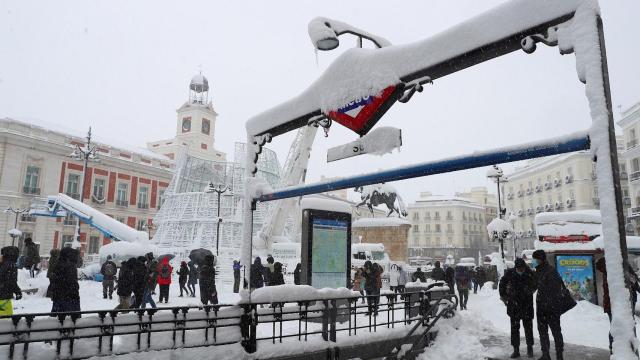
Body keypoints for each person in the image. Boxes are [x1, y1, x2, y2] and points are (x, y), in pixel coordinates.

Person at [532, 249, 574, 360]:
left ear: (540, 259)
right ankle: (545, 354)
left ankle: (559, 355)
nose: (533, 261)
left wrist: (549, 304)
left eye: (535, 259)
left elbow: (554, 291)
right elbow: (535, 286)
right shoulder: (539, 271)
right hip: (541, 307)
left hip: (551, 308)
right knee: (543, 332)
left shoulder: (550, 271)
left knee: (556, 331)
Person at [499, 258, 535, 358]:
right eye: (519, 269)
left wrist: (530, 290)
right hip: (514, 305)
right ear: (516, 268)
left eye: (522, 268)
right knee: (514, 329)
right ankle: (516, 349)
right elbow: (502, 283)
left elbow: (535, 284)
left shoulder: (529, 273)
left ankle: (529, 348)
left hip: (527, 305)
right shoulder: (510, 273)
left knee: (528, 328)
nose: (521, 270)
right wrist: (504, 295)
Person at [49, 247, 80, 313]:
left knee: (59, 317)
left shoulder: (60, 263)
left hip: (61, 295)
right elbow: (71, 281)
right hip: (69, 296)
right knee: (71, 317)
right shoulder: (70, 265)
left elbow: (55, 280)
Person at [0, 246, 22, 316]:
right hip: (4, 295)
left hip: (3, 294)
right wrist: (17, 291)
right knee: (5, 318)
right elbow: (11, 281)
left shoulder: (3, 263)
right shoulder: (11, 265)